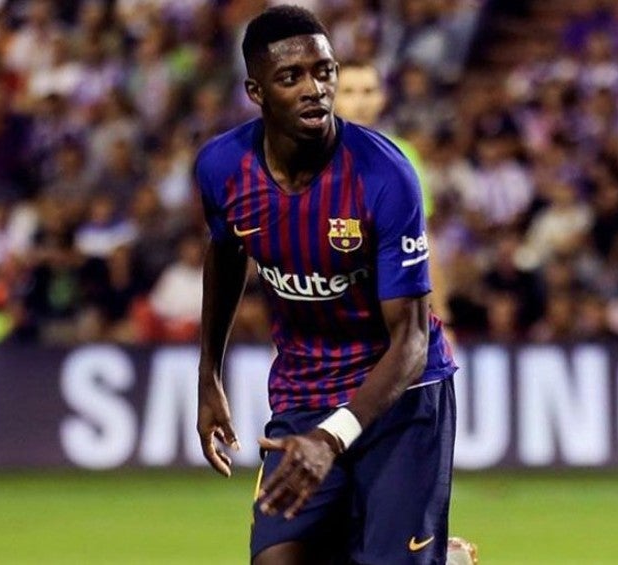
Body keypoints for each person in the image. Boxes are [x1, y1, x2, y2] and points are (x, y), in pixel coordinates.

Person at [194, 6, 458, 564]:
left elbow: (411, 339)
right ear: (256, 91)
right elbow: (225, 253)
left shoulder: (385, 175)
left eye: (324, 71)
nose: (314, 89)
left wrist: (332, 437)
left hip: (400, 397)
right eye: (291, 77)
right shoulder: (222, 167)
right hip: (304, 392)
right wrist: (208, 374)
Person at [333, 59, 454, 332]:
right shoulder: (308, 157)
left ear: (382, 99)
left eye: (368, 91)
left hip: (388, 310)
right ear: (331, 97)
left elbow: (423, 239)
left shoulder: (402, 155)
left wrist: (442, 317)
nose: (360, 102)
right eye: (349, 92)